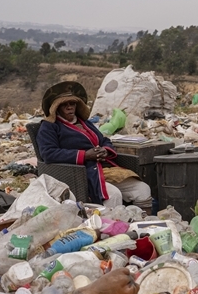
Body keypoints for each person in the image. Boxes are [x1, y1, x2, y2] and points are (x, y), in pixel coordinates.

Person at [36, 81, 152, 211]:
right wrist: (85, 155)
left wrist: (105, 150)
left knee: (142, 189)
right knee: (113, 195)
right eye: (64, 105)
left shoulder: (85, 123)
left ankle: (144, 222)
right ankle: (110, 223)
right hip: (81, 174)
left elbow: (104, 140)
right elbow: (48, 153)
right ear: (56, 107)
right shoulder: (50, 126)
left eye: (72, 103)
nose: (69, 107)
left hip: (103, 169)